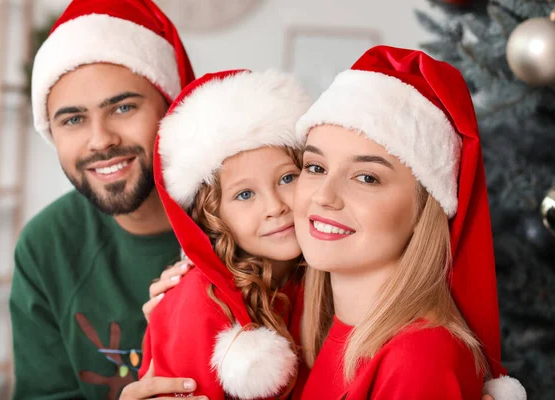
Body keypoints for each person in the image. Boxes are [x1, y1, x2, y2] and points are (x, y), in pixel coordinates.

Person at [292, 46, 526, 399]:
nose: (325, 195)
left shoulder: (420, 356)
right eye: (315, 167)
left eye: (366, 177)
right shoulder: (316, 327)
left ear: (422, 211)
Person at [9, 0, 197, 398]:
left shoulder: (250, 219)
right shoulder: (47, 246)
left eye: (123, 107)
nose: (101, 140)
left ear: (172, 108)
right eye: (73, 119)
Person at [139, 69, 311, 399]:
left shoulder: (316, 277)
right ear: (212, 215)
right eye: (245, 194)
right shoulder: (201, 304)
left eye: (287, 178)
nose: (275, 206)